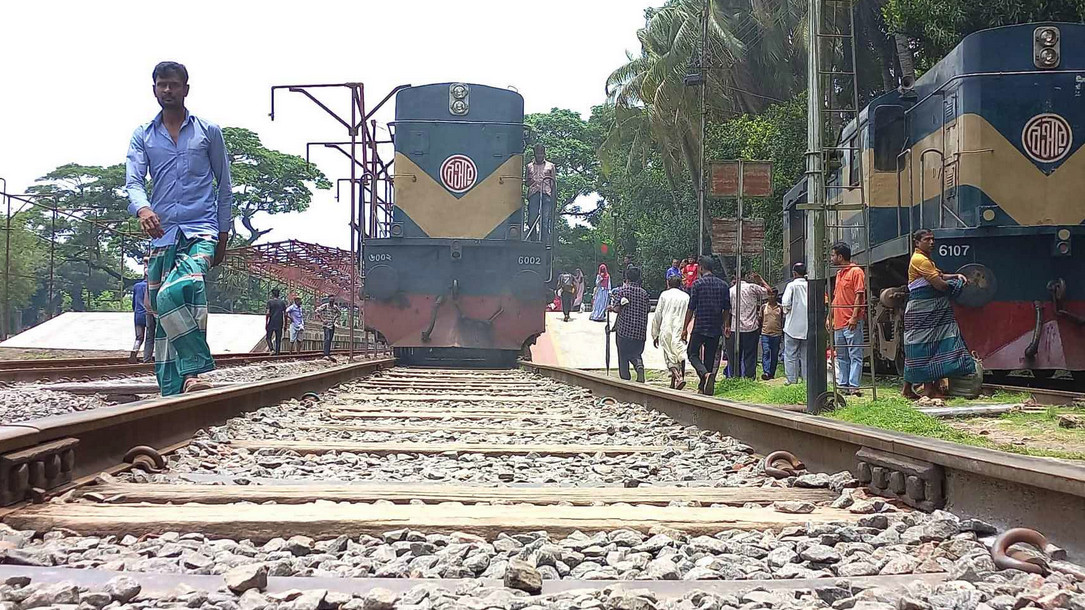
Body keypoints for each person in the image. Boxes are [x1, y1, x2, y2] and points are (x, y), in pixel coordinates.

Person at [126, 61, 233, 396]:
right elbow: (133, 181)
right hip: (162, 235)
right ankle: (174, 388)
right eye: (162, 85)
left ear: (186, 88)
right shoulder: (143, 135)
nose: (168, 90)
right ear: (154, 89)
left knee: (179, 291)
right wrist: (143, 208)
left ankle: (195, 370)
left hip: (201, 230)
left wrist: (223, 236)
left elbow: (224, 185)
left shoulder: (208, 132)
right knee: (161, 305)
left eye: (173, 85)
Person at [903, 229, 974, 399]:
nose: (932, 242)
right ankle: (928, 390)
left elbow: (939, 275)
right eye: (927, 240)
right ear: (917, 242)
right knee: (926, 348)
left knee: (922, 349)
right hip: (925, 311)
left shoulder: (926, 260)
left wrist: (955, 275)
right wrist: (956, 285)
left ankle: (912, 389)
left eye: (933, 239)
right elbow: (940, 285)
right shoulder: (920, 260)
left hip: (928, 311)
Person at [682, 256, 731, 395]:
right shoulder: (723, 285)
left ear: (701, 268)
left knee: (692, 353)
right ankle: (704, 386)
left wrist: (685, 328)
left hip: (700, 325)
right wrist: (726, 324)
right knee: (709, 357)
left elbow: (691, 308)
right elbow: (727, 308)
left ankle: (704, 375)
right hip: (715, 326)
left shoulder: (697, 284)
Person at [830, 242, 866, 395]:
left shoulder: (856, 272)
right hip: (838, 322)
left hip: (851, 322)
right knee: (842, 356)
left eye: (833, 255)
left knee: (855, 354)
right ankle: (843, 385)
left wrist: (854, 317)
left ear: (840, 256)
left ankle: (854, 386)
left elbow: (859, 295)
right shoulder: (839, 274)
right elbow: (836, 297)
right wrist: (829, 316)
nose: (831, 258)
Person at [609, 266, 649, 382]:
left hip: (624, 330)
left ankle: (625, 380)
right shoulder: (644, 293)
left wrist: (611, 308)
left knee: (623, 355)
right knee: (636, 352)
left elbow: (616, 308)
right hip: (640, 331)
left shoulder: (623, 291)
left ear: (627, 277)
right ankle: (638, 363)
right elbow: (647, 309)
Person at [728, 271, 771, 379]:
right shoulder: (752, 287)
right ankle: (749, 378)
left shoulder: (731, 291)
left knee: (735, 356)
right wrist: (760, 280)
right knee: (750, 356)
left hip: (735, 327)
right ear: (745, 277)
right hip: (751, 327)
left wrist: (726, 325)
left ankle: (735, 377)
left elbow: (727, 310)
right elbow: (769, 292)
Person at [652, 274, 690, 389]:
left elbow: (657, 315)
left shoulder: (664, 295)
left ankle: (678, 377)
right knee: (680, 354)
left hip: (666, 328)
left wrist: (655, 334)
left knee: (669, 355)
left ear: (668, 283)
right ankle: (678, 379)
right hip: (681, 329)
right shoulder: (686, 297)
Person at [781, 262, 809, 385]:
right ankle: (806, 381)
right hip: (807, 327)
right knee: (806, 356)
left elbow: (785, 303)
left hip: (792, 327)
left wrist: (787, 311)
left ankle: (791, 380)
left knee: (791, 355)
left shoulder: (791, 286)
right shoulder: (810, 285)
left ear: (794, 273)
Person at [525, 144, 556, 242]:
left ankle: (543, 242)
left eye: (541, 154)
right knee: (531, 219)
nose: (539, 156)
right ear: (534, 154)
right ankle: (533, 239)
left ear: (544, 154)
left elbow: (554, 183)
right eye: (537, 154)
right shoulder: (529, 166)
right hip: (534, 194)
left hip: (546, 194)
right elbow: (526, 182)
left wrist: (554, 199)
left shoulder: (550, 166)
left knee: (545, 220)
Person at [760, 290, 784, 380]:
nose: (771, 296)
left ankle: (771, 373)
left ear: (776, 295)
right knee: (766, 352)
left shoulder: (780, 308)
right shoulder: (764, 307)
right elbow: (760, 319)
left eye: (773, 294)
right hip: (765, 333)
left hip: (776, 334)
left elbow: (782, 319)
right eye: (769, 294)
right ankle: (766, 372)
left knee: (774, 354)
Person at [129, 274, 149, 364]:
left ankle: (134, 352)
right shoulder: (150, 286)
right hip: (148, 314)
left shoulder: (137, 286)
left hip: (138, 314)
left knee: (139, 337)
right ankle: (147, 357)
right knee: (150, 338)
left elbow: (133, 303)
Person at [265, 288, 287, 355]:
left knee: (268, 337)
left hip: (271, 322)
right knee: (278, 338)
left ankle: (271, 349)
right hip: (279, 322)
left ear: (272, 294)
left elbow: (268, 313)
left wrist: (266, 323)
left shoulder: (270, 302)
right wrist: (285, 324)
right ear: (278, 294)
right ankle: (277, 353)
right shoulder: (282, 302)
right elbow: (285, 314)